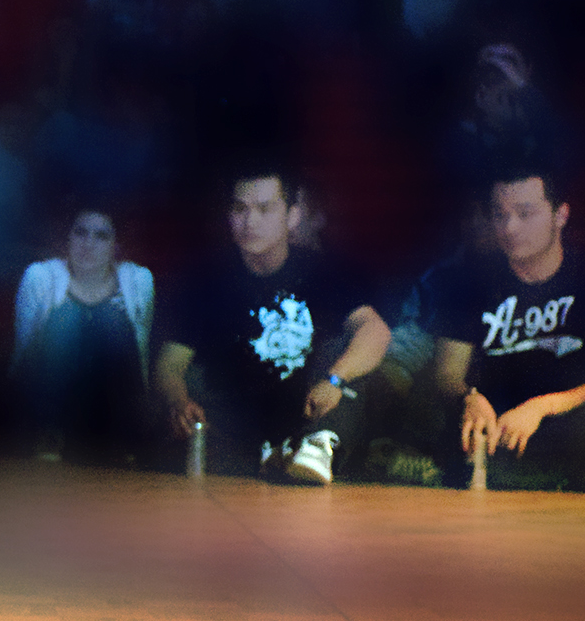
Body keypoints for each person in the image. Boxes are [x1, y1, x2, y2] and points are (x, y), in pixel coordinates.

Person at [155, 162, 391, 483]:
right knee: (185, 388)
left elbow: (376, 330)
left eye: (265, 209)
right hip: (234, 419)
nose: (250, 221)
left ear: (292, 216)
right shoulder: (206, 279)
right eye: (240, 209)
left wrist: (336, 378)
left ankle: (315, 448)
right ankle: (260, 455)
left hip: (307, 411)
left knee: (355, 365)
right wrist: (178, 401)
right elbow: (170, 364)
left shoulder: (322, 271)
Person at [429, 162, 585, 487]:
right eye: (500, 215)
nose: (509, 228)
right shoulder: (471, 279)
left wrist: (542, 408)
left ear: (561, 215)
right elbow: (447, 373)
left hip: (566, 417)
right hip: (492, 423)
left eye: (525, 214)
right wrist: (469, 398)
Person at [12, 205, 154, 463]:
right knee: (65, 319)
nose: (88, 244)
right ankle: (47, 436)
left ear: (116, 245)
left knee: (111, 319)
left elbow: (140, 354)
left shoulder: (138, 281)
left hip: (107, 405)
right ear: (67, 237)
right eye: (81, 233)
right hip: (52, 400)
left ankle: (123, 443)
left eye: (101, 236)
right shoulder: (40, 277)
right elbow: (23, 351)